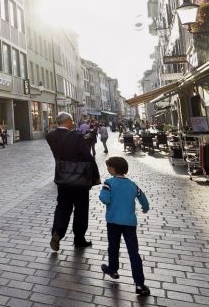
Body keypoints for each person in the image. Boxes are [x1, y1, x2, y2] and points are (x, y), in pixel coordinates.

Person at [46, 112, 99, 252]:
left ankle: (57, 232)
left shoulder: (50, 136)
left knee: (63, 207)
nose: (73, 123)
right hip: (79, 178)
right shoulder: (76, 136)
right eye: (72, 121)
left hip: (62, 178)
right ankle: (79, 238)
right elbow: (86, 155)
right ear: (68, 121)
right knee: (81, 209)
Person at [99, 156, 151, 297]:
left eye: (109, 166)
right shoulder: (133, 185)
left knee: (113, 246)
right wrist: (145, 208)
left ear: (114, 169)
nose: (107, 169)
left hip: (113, 222)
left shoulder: (109, 183)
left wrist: (105, 196)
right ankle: (140, 284)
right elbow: (143, 198)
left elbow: (104, 199)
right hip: (129, 223)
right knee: (133, 252)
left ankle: (113, 269)